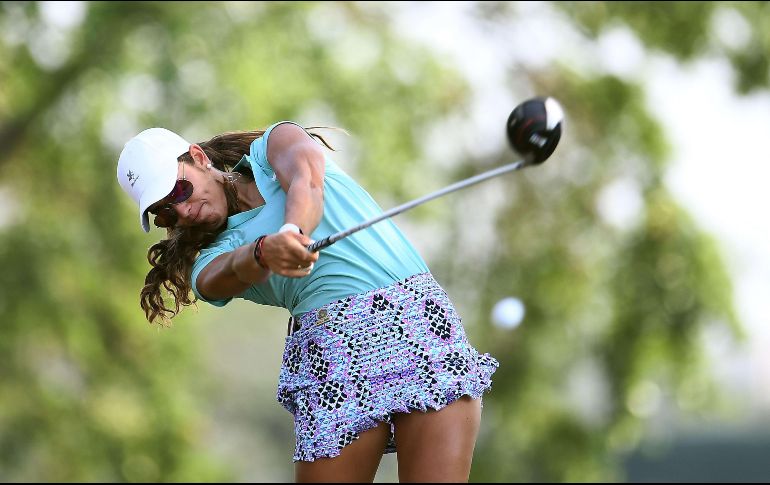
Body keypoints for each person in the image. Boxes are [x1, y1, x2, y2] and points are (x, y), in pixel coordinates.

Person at [116, 121, 499, 482]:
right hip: (336, 354)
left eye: (180, 191)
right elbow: (230, 271)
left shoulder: (273, 145)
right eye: (164, 210)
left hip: (420, 325)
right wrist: (264, 252)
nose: (181, 210)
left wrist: (293, 230)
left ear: (199, 158)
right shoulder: (207, 262)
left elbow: (307, 181)